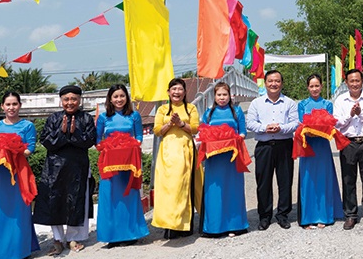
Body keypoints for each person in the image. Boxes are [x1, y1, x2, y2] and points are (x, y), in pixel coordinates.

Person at [32, 85, 97, 255]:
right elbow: (46, 140)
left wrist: (74, 133)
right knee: (56, 202)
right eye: (66, 99)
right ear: (61, 101)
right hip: (55, 167)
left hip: (78, 167)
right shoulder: (53, 118)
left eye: (74, 99)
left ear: (79, 100)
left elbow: (90, 140)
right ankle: (58, 239)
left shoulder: (86, 118)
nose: (70, 103)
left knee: (77, 201)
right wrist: (62, 133)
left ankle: (74, 238)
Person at [0, 91, 39, 259]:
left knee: (19, 211)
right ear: (2, 106)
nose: (11, 107)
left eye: (14, 104)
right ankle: (0, 253)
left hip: (19, 171)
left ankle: (20, 251)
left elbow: (30, 148)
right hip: (0, 174)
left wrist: (13, 151)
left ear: (20, 106)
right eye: (8, 104)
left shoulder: (27, 126)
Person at [95, 84, 149, 245]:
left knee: (129, 196)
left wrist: (131, 147)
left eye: (122, 96)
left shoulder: (135, 116)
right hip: (109, 165)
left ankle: (131, 234)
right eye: (115, 96)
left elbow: (139, 136)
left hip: (128, 163)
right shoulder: (104, 117)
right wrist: (106, 149)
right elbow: (98, 140)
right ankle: (111, 236)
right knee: (109, 197)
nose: (119, 99)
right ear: (110, 99)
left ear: (127, 97)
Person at [246, 70, 299, 230]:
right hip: (264, 146)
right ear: (265, 83)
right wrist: (265, 128)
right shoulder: (257, 103)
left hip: (284, 145)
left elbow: (295, 122)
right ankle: (265, 216)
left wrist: (281, 128)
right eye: (270, 81)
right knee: (263, 182)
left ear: (281, 84)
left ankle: (283, 214)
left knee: (285, 181)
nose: (274, 84)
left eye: (277, 81)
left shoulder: (289, 102)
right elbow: (250, 123)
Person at [152, 77, 201, 239]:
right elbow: (157, 130)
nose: (177, 92)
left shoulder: (191, 108)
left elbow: (195, 129)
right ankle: (169, 224)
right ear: (168, 92)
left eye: (180, 89)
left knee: (183, 187)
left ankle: (184, 224)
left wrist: (180, 124)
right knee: (168, 188)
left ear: (185, 92)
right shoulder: (162, 109)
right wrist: (170, 124)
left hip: (185, 149)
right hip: (167, 152)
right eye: (174, 89)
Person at [333, 68, 363, 230]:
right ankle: (351, 214)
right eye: (351, 81)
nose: (355, 84)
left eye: (357, 81)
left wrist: (361, 114)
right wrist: (350, 114)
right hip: (347, 142)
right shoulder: (340, 100)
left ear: (362, 81)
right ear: (346, 82)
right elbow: (337, 122)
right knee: (348, 179)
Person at [199, 82, 249, 237]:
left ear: (230, 96)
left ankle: (235, 225)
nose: (222, 98)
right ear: (214, 96)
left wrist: (234, 140)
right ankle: (214, 227)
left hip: (232, 159)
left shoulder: (237, 111)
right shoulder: (208, 113)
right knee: (214, 191)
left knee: (233, 191)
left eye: (224, 95)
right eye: (219, 95)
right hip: (214, 160)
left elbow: (243, 132)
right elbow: (203, 133)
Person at [296, 74, 343, 228]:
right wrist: (308, 131)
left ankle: (324, 215)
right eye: (311, 86)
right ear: (307, 87)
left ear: (321, 86)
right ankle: (308, 217)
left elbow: (330, 125)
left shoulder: (327, 104)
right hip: (308, 145)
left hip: (322, 146)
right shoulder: (302, 104)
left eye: (317, 86)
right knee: (308, 180)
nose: (315, 89)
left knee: (323, 179)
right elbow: (302, 124)